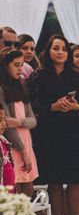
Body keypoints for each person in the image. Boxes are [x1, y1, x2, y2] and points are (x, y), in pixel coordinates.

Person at [29, 35, 79, 215]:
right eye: (56, 48)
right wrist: (52, 107)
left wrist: (76, 107)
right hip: (49, 132)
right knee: (55, 181)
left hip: (72, 131)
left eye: (64, 49)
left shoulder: (75, 76)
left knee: (75, 180)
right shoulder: (38, 76)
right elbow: (32, 105)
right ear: (48, 51)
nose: (60, 52)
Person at [0, 50, 38, 200]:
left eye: (21, 65)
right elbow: (8, 125)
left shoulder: (21, 87)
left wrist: (21, 122)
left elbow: (33, 121)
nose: (20, 69)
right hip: (13, 143)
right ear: (5, 66)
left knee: (28, 187)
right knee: (15, 186)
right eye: (16, 65)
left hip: (26, 139)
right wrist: (22, 152)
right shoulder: (2, 90)